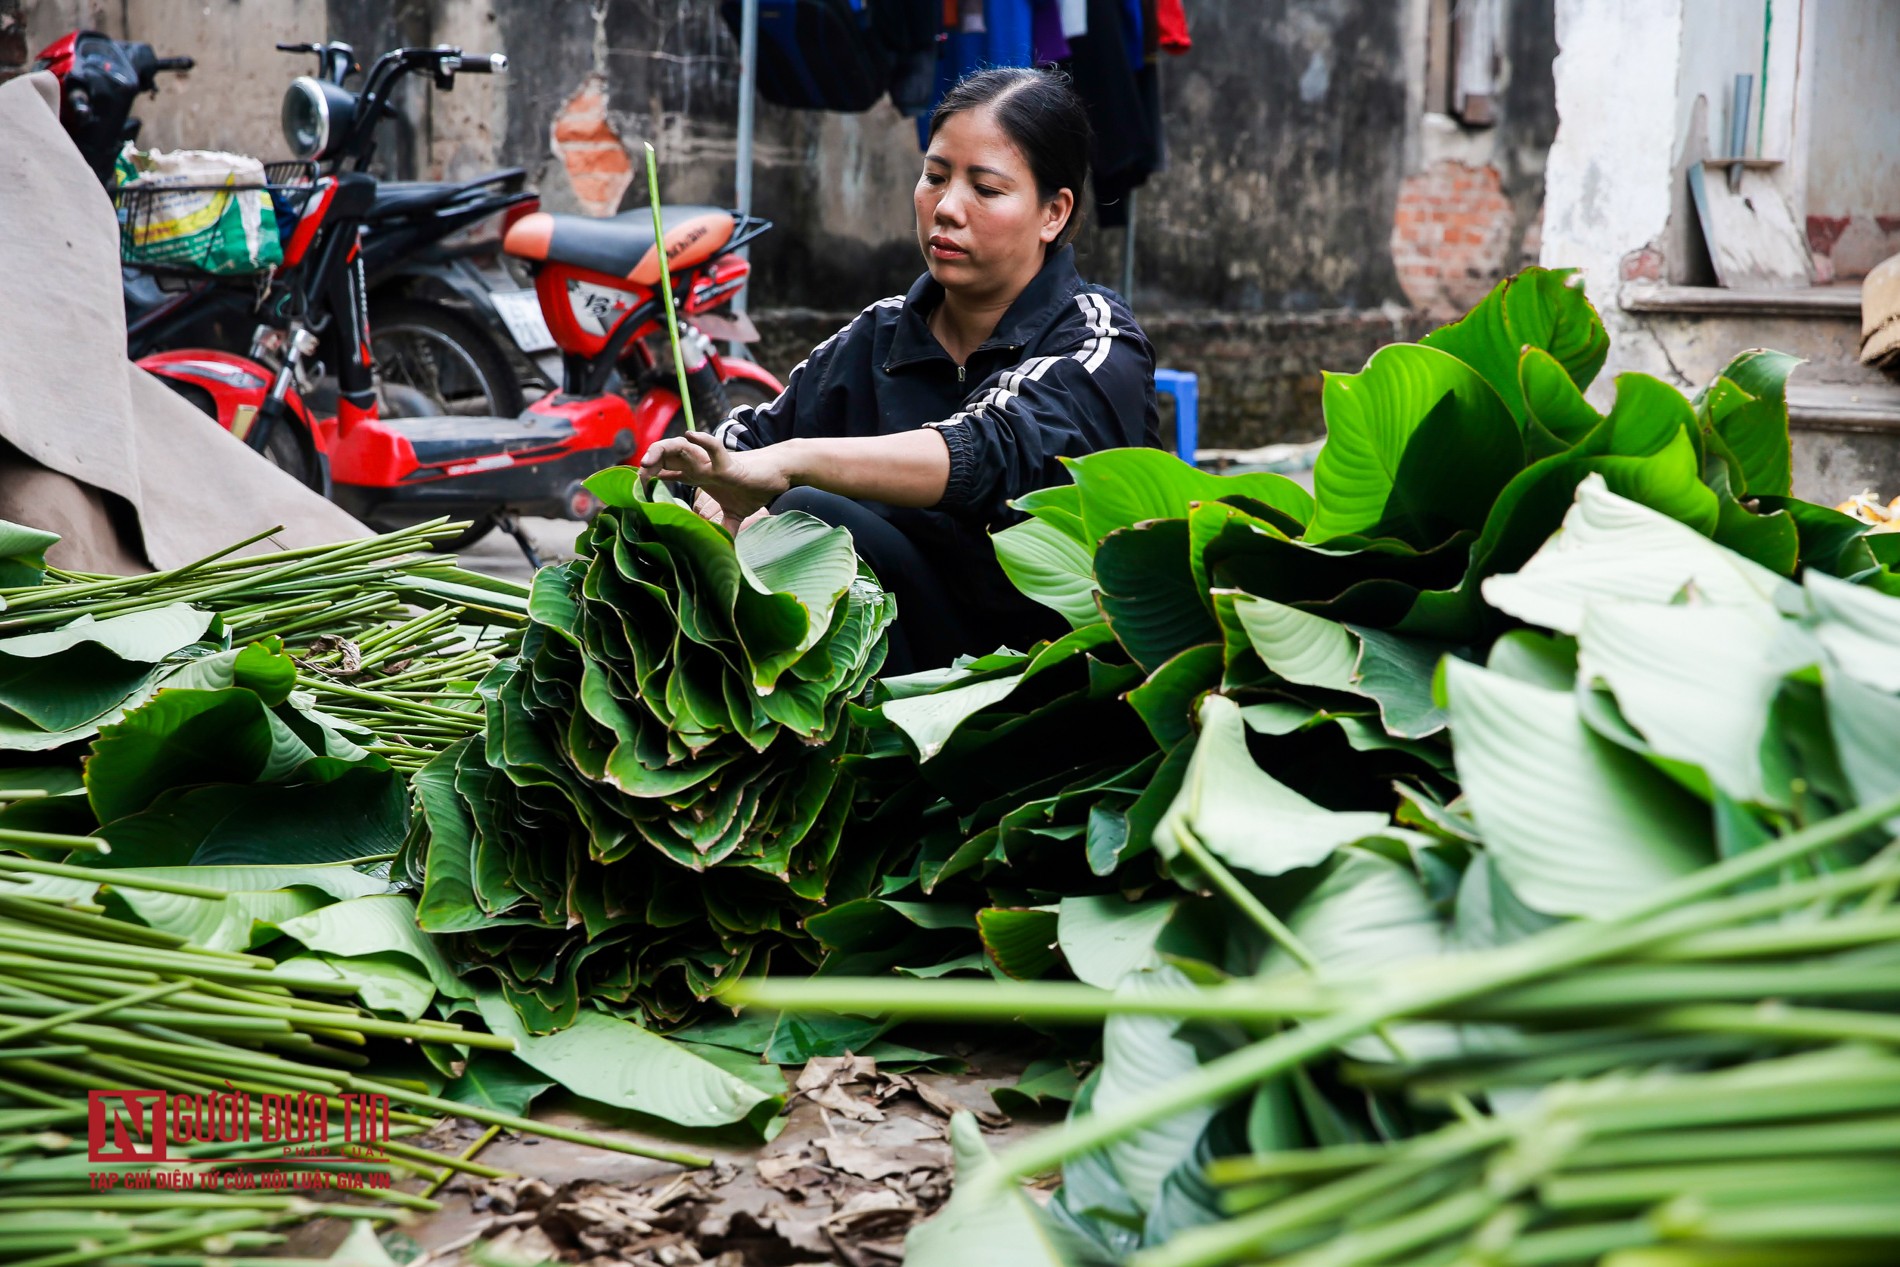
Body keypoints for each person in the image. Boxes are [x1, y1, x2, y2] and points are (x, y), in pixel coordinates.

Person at [639, 66, 1160, 673]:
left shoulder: (1098, 342)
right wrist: (717, 492)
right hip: (902, 652)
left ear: (1053, 213)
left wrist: (790, 465)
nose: (947, 208)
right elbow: (747, 441)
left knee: (812, 510)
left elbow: (991, 446)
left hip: (1041, 677)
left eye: (986, 190)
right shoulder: (880, 334)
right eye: (934, 177)